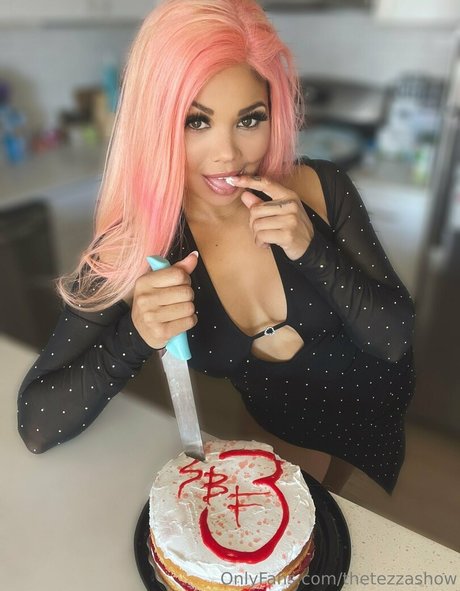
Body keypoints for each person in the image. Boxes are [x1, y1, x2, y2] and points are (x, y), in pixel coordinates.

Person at [17, 0, 416, 495]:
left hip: (374, 403)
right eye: (196, 121)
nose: (228, 154)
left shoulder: (319, 189)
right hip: (278, 425)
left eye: (249, 120)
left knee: (355, 502)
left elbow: (393, 338)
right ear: (155, 121)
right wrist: (136, 334)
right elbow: (38, 424)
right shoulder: (135, 246)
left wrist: (313, 249)